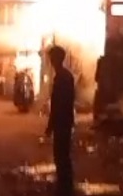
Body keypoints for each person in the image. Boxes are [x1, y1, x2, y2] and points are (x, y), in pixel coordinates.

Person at [45, 45, 75, 196]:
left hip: (61, 121)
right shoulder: (66, 76)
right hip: (65, 121)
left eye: (52, 58)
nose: (50, 61)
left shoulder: (61, 78)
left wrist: (50, 125)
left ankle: (65, 187)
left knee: (61, 154)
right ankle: (65, 185)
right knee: (63, 154)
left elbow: (58, 104)